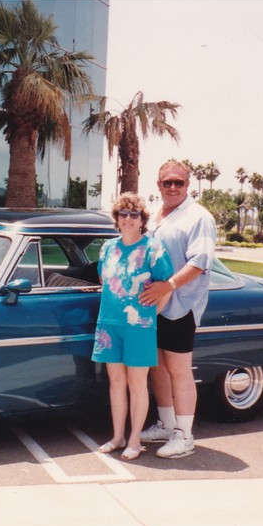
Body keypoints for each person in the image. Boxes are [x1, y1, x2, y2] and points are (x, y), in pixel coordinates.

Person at [139, 159, 217, 459]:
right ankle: (166, 424)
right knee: (157, 366)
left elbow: (199, 262)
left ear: (188, 185)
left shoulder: (198, 217)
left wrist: (167, 286)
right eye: (166, 182)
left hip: (180, 306)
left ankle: (185, 436)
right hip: (153, 305)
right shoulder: (156, 215)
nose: (172, 187)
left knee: (180, 371)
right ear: (158, 185)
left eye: (178, 182)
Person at [92, 193, 173, 461]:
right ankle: (118, 437)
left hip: (139, 327)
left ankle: (135, 440)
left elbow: (166, 288)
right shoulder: (107, 248)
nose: (128, 219)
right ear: (116, 219)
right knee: (116, 383)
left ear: (142, 220)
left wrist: (148, 315)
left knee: (137, 384)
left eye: (133, 214)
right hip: (109, 324)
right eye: (123, 214)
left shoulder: (153, 248)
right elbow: (105, 281)